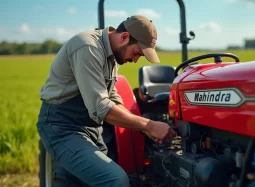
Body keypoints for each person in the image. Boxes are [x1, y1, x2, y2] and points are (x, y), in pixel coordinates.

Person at [36, 15, 176, 187]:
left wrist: (145, 127)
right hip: (62, 126)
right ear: (124, 37)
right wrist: (148, 125)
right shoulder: (88, 47)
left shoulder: (112, 56)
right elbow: (101, 107)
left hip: (90, 127)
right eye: (137, 53)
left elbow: (113, 100)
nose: (134, 60)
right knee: (115, 180)